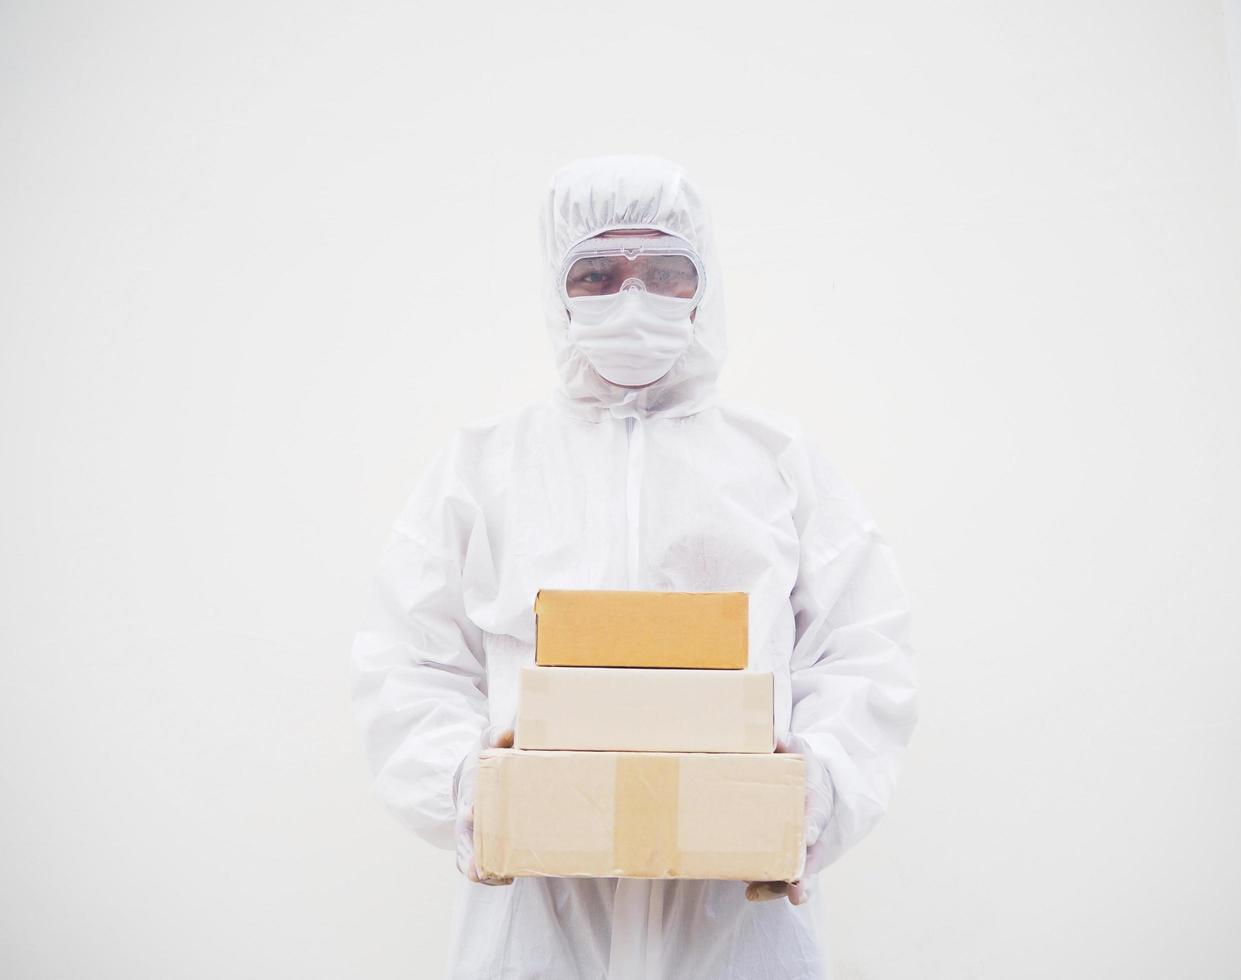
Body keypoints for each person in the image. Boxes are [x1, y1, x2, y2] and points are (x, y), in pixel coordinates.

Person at [350, 154, 918, 980]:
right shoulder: (485, 467)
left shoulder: (776, 462)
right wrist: (469, 786)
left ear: (704, 286)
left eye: (663, 271)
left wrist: (812, 794)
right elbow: (405, 661)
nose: (632, 298)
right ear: (557, 291)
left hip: (734, 920)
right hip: (538, 917)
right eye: (596, 273)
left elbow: (865, 650)